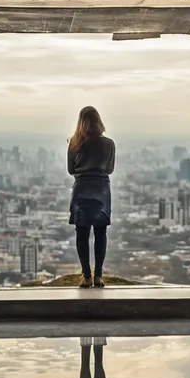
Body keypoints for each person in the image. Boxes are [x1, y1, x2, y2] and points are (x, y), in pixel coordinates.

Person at [68, 106, 115, 288]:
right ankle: (98, 276)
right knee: (100, 232)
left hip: (81, 188)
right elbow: (110, 169)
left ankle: (86, 276)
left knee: (82, 232)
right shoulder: (109, 144)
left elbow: (71, 169)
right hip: (101, 189)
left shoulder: (74, 142)